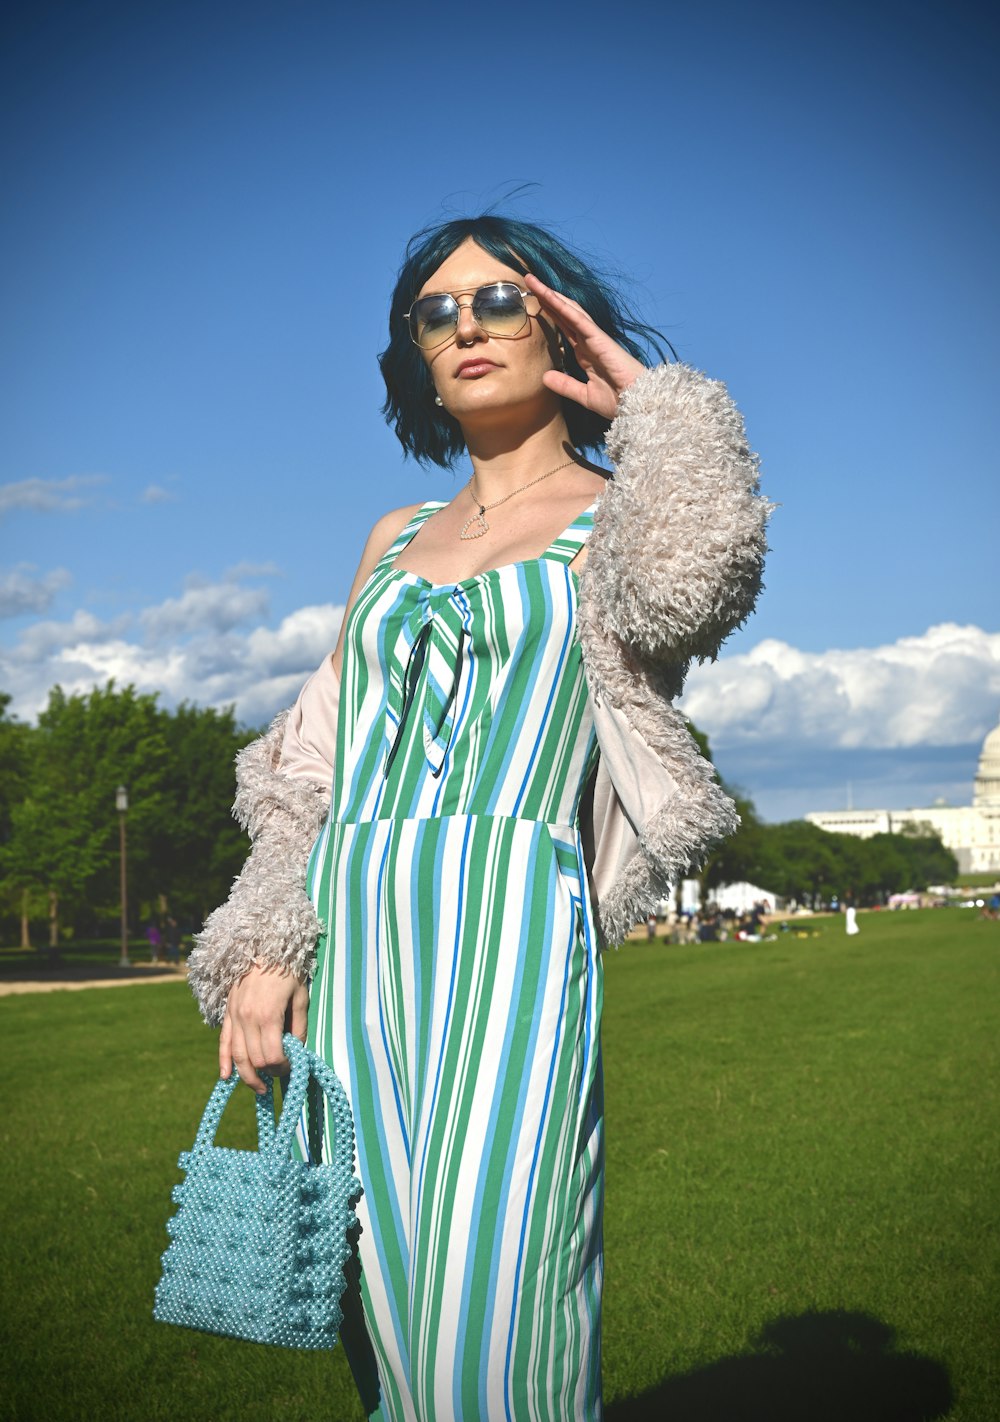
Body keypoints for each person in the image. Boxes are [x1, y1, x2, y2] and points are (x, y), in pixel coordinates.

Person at [186, 213, 771, 1421]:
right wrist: (260, 951)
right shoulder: (390, 540)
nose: (466, 328)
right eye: (435, 311)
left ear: (555, 321)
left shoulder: (620, 522)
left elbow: (693, 585)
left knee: (500, 1301)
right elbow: (313, 767)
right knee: (382, 1311)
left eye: (499, 300)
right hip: (350, 933)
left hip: (506, 922)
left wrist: (657, 415)